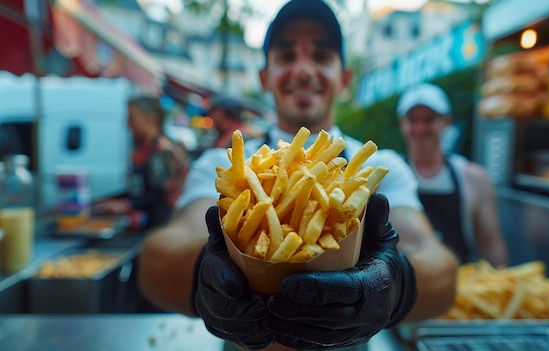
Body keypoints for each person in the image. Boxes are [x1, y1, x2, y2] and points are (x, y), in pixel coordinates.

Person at [138, 1, 458, 350]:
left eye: (321, 57)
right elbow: (155, 262)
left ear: (345, 79)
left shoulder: (382, 168)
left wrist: (396, 285)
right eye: (287, 56)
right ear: (265, 77)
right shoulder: (226, 163)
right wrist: (203, 276)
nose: (303, 70)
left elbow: (441, 270)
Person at [396, 83, 508, 266]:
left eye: (429, 119)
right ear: (402, 125)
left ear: (447, 122)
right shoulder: (392, 175)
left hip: (462, 290)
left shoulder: (473, 178)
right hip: (407, 291)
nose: (420, 128)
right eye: (412, 120)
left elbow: (491, 247)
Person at [94, 96, 189, 230]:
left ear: (152, 119)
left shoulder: (162, 150)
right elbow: (139, 188)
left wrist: (124, 205)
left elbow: (159, 194)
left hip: (163, 225)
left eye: (132, 118)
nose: (127, 124)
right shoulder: (143, 150)